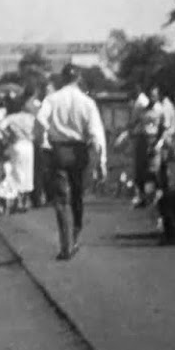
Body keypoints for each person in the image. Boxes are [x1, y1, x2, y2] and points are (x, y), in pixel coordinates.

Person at [35, 63, 108, 260]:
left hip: (58, 151)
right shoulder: (87, 102)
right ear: (78, 79)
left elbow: (40, 121)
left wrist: (42, 142)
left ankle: (65, 243)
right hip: (79, 151)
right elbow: (96, 134)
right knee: (77, 195)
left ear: (62, 79)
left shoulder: (52, 99)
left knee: (60, 200)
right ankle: (75, 234)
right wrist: (101, 162)